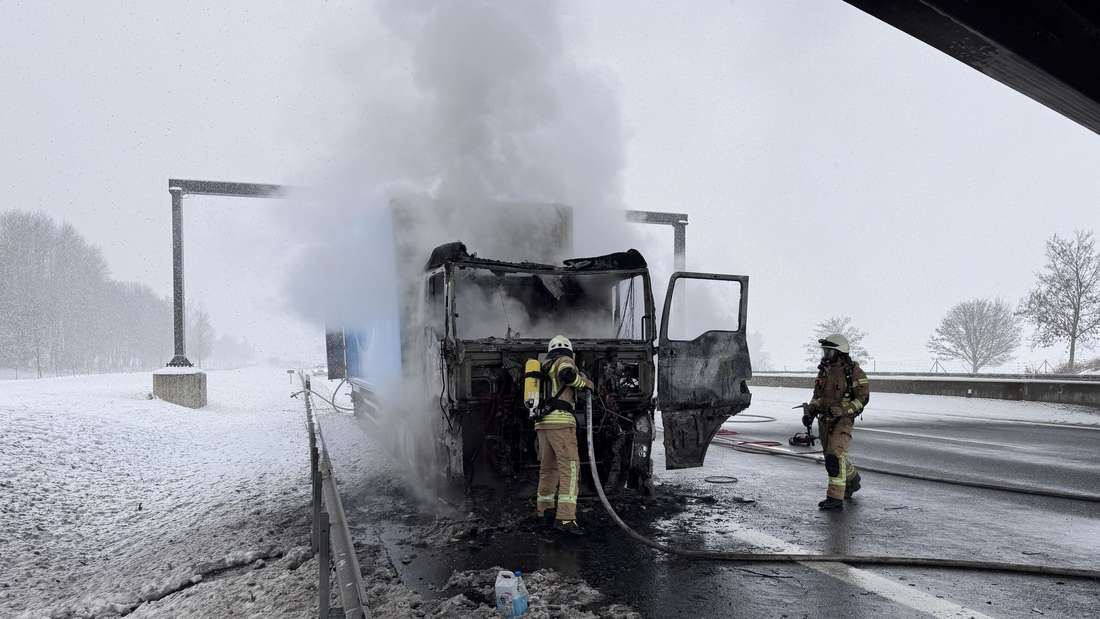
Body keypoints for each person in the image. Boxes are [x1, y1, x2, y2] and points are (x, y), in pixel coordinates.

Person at [801, 334, 870, 510]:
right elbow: (818, 396)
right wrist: (811, 410)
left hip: (843, 421)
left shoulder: (854, 372)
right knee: (832, 457)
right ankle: (853, 479)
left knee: (834, 456)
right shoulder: (824, 371)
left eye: (829, 352)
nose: (825, 355)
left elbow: (863, 399)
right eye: (824, 351)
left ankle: (835, 498)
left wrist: (844, 410)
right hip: (824, 420)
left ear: (839, 353)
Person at [535, 334, 592, 535]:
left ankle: (545, 512)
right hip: (561, 422)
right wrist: (584, 383)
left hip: (543, 424)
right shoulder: (564, 360)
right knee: (571, 469)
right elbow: (568, 376)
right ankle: (566, 519)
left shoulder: (544, 366)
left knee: (548, 470)